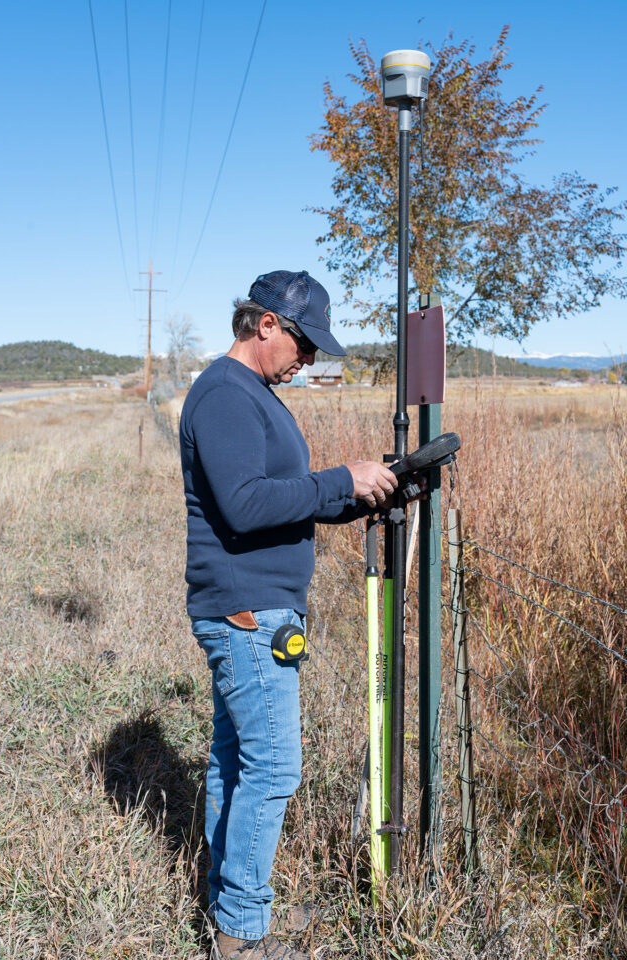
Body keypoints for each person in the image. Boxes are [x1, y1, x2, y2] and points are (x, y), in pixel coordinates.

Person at [180, 270, 403, 960]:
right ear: (266, 323)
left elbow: (283, 495)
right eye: (305, 345)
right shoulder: (224, 394)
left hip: (255, 608)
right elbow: (245, 506)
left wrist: (363, 492)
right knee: (274, 769)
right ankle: (242, 934)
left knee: (236, 761)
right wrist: (339, 478)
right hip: (248, 612)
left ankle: (236, 904)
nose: (309, 361)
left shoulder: (254, 395)